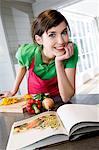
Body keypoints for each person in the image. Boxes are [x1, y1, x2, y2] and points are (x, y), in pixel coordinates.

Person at [0, 9, 78, 104]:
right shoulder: (26, 52)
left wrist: (59, 63)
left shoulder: (71, 50)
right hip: (35, 102)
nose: (61, 41)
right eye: (52, 35)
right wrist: (13, 91)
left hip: (60, 101)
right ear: (39, 40)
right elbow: (22, 68)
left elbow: (67, 97)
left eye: (64, 32)